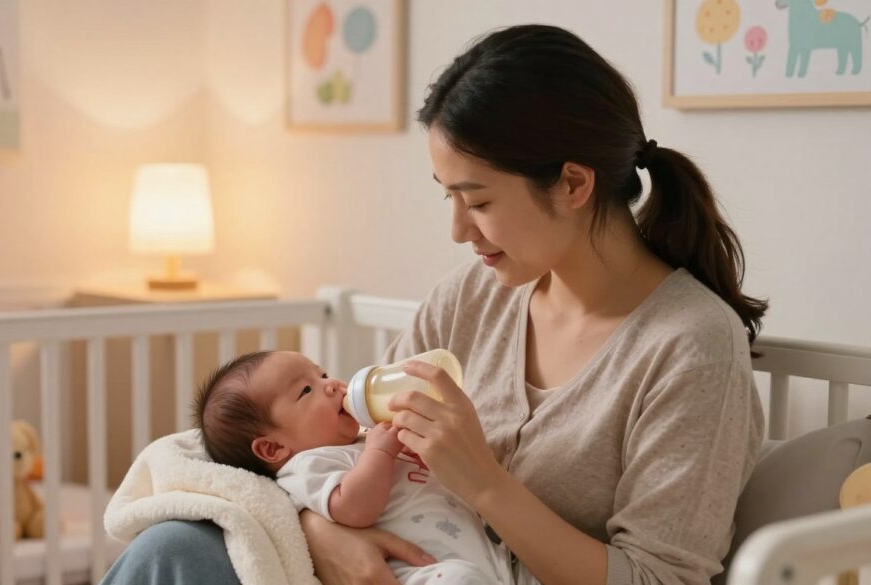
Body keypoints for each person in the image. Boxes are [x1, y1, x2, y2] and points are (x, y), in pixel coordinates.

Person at [100, 23, 767, 585]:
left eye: (477, 201)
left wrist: (483, 482)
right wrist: (321, 530)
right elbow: (330, 447)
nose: (458, 230)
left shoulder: (692, 347)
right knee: (174, 547)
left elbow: (659, 579)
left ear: (572, 183)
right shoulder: (473, 297)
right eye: (448, 197)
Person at [192, 349, 519, 585]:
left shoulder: (364, 438)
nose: (331, 384)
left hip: (486, 556)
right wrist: (381, 451)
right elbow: (353, 509)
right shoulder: (307, 466)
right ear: (273, 447)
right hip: (420, 572)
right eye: (306, 390)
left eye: (321, 374)